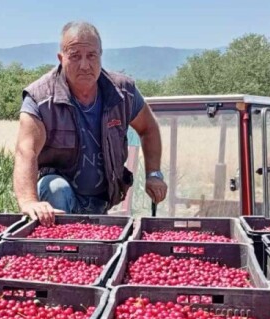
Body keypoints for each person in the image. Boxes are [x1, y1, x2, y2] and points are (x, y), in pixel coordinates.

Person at [13, 21, 168, 224]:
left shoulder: (122, 92)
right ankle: (55, 244)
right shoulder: (40, 98)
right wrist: (29, 201)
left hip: (102, 200)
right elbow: (26, 150)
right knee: (56, 189)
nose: (85, 65)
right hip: (59, 200)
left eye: (91, 56)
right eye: (75, 56)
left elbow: (148, 128)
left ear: (100, 56)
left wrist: (154, 173)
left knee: (94, 248)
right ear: (61, 58)